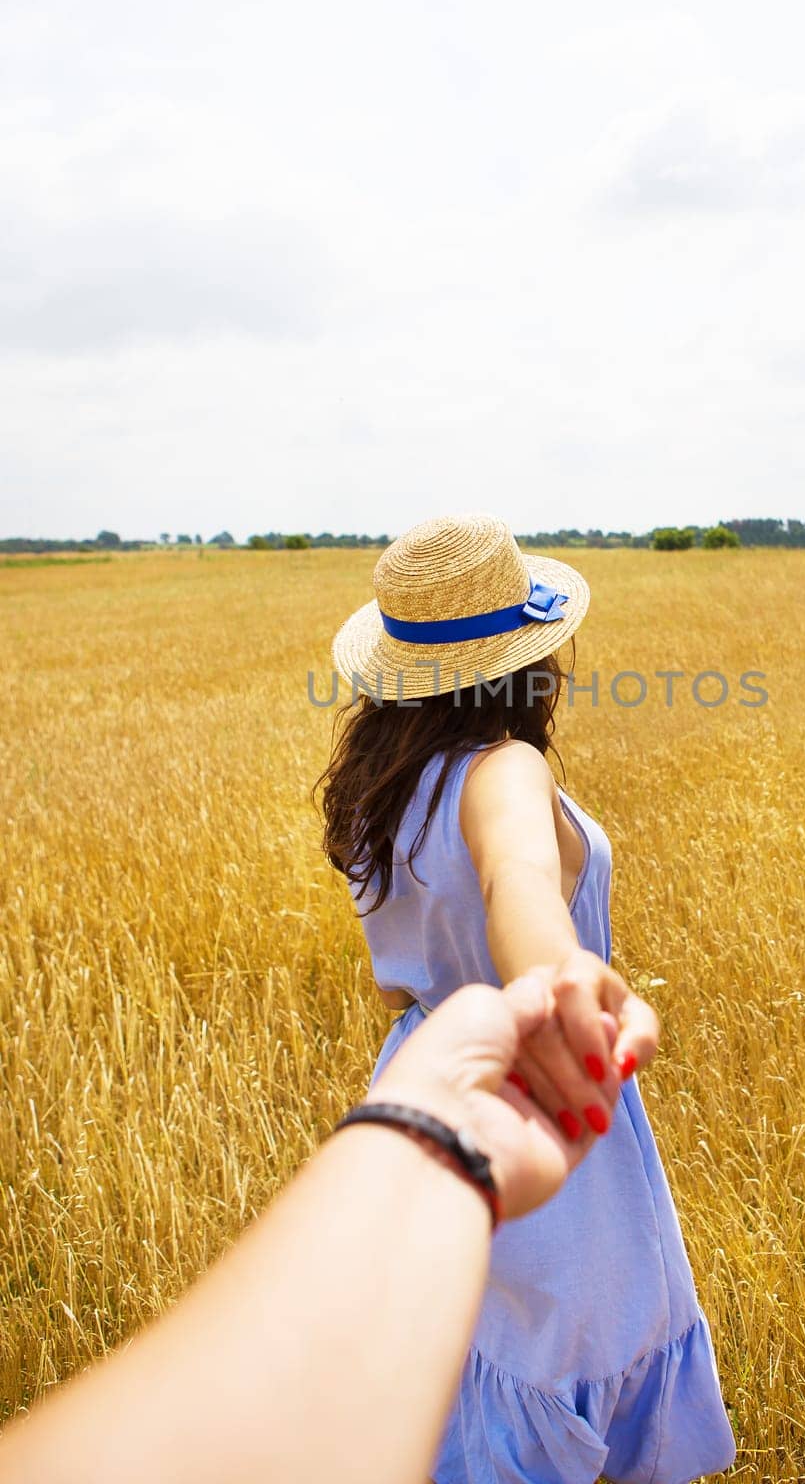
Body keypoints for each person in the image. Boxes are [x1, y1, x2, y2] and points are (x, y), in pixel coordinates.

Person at [318, 512, 737, 1484]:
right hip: (533, 1087)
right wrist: (553, 978)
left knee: (463, 1353)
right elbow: (517, 878)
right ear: (528, 657)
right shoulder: (504, 765)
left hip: (425, 1082)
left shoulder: (379, 789)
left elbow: (395, 971)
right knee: (567, 1353)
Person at [0, 969, 659, 1484]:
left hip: (434, 1071)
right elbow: (525, 896)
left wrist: (434, 1123)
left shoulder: (377, 797)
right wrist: (567, 977)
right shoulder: (498, 785)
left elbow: (389, 985)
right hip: (523, 1087)